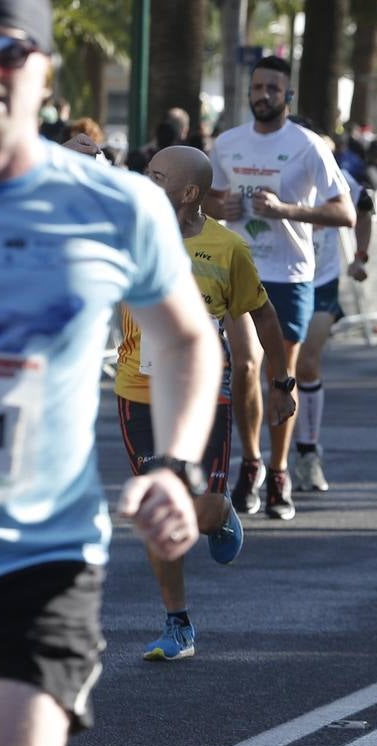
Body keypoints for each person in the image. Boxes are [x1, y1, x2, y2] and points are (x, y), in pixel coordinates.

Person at [0, 1, 222, 746]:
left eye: (7, 48)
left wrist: (176, 464)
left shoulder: (114, 203)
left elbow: (185, 338)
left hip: (33, 564)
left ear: (43, 72)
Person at [116, 146, 297, 660]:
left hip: (202, 395)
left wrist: (282, 383)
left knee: (199, 511)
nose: (146, 182)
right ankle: (178, 624)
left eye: (157, 176)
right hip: (139, 392)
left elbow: (261, 316)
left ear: (189, 192)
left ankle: (221, 516)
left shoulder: (226, 249)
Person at [205, 55, 355, 520]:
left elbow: (345, 213)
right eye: (257, 87)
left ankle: (280, 469)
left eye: (273, 87)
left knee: (279, 375)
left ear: (287, 95)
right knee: (245, 367)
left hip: (290, 274)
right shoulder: (227, 144)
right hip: (239, 268)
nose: (263, 94)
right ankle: (250, 464)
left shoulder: (308, 145)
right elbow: (204, 197)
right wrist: (220, 204)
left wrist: (287, 211)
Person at [292, 126, 369, 494]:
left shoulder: (339, 179)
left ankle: (308, 451)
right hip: (280, 280)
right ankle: (270, 459)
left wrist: (360, 255)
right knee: (273, 368)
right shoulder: (280, 173)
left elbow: (365, 207)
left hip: (321, 281)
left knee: (307, 361)